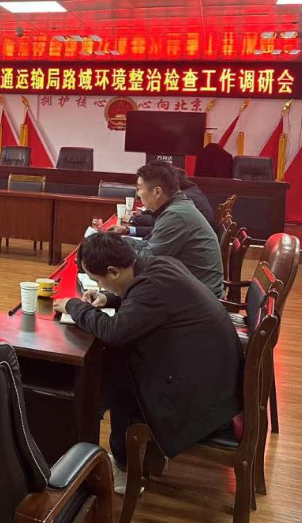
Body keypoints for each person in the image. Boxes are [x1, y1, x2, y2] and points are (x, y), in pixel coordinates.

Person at [54, 232, 242, 494]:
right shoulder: (160, 265)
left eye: (98, 280)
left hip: (204, 401)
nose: (99, 285)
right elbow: (143, 302)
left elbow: (113, 331)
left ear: (113, 271)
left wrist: (74, 306)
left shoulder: (151, 287)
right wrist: (108, 298)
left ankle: (122, 469)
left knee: (123, 378)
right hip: (216, 379)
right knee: (117, 367)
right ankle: (99, 437)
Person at [112, 161, 224, 298]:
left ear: (157, 192)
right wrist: (119, 243)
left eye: (139, 188)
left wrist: (113, 257)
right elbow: (150, 245)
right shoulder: (177, 206)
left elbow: (146, 262)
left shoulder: (176, 215)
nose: (138, 194)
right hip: (194, 287)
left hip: (201, 297)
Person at [127, 166, 215, 239]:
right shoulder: (183, 197)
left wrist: (133, 221)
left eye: (140, 188)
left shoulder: (179, 207)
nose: (138, 193)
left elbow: (151, 249)